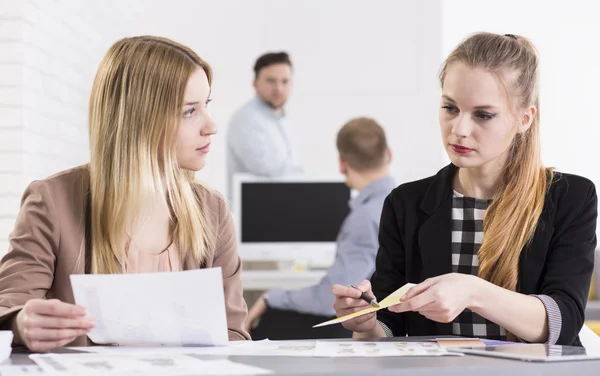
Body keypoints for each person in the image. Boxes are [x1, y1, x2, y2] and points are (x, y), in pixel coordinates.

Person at [332, 32, 597, 346]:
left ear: (524, 119)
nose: (459, 130)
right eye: (450, 108)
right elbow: (389, 327)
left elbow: (563, 322)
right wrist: (366, 323)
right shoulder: (406, 203)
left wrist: (472, 291)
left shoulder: (569, 197)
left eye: (483, 115)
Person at [0, 36, 250, 352]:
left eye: (206, 106)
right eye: (189, 111)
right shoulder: (51, 201)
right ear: (139, 119)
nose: (211, 126)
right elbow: (10, 305)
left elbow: (235, 335)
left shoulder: (212, 211)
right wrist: (22, 324)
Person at [245, 117, 396, 339]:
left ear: (342, 163)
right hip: (393, 322)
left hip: (366, 328)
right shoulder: (400, 202)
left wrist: (271, 298)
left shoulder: (365, 218)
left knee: (266, 321)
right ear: (389, 154)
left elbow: (329, 299)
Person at [226, 52, 302, 198]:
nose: (279, 88)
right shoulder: (247, 119)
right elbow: (269, 171)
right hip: (254, 213)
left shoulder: (280, 119)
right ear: (255, 84)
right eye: (271, 81)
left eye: (284, 81)